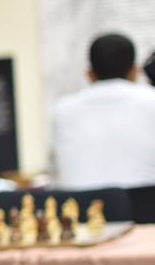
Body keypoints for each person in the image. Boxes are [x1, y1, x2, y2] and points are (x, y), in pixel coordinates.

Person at [51, 33, 155, 189]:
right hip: (145, 203)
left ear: (89, 74)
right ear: (135, 71)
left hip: (83, 203)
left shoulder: (62, 110)